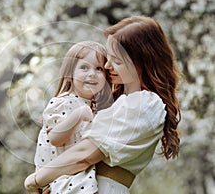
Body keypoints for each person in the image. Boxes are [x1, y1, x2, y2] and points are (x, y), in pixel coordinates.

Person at [24, 16, 181, 194]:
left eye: (117, 61)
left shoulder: (144, 103)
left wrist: (36, 180)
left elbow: (85, 154)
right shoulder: (119, 102)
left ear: (141, 62)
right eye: (108, 58)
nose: (107, 66)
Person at [32, 41, 113, 194]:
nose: (92, 73)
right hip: (61, 178)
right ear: (70, 73)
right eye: (84, 67)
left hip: (77, 175)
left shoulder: (92, 107)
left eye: (99, 69)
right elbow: (55, 138)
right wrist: (78, 115)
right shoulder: (64, 101)